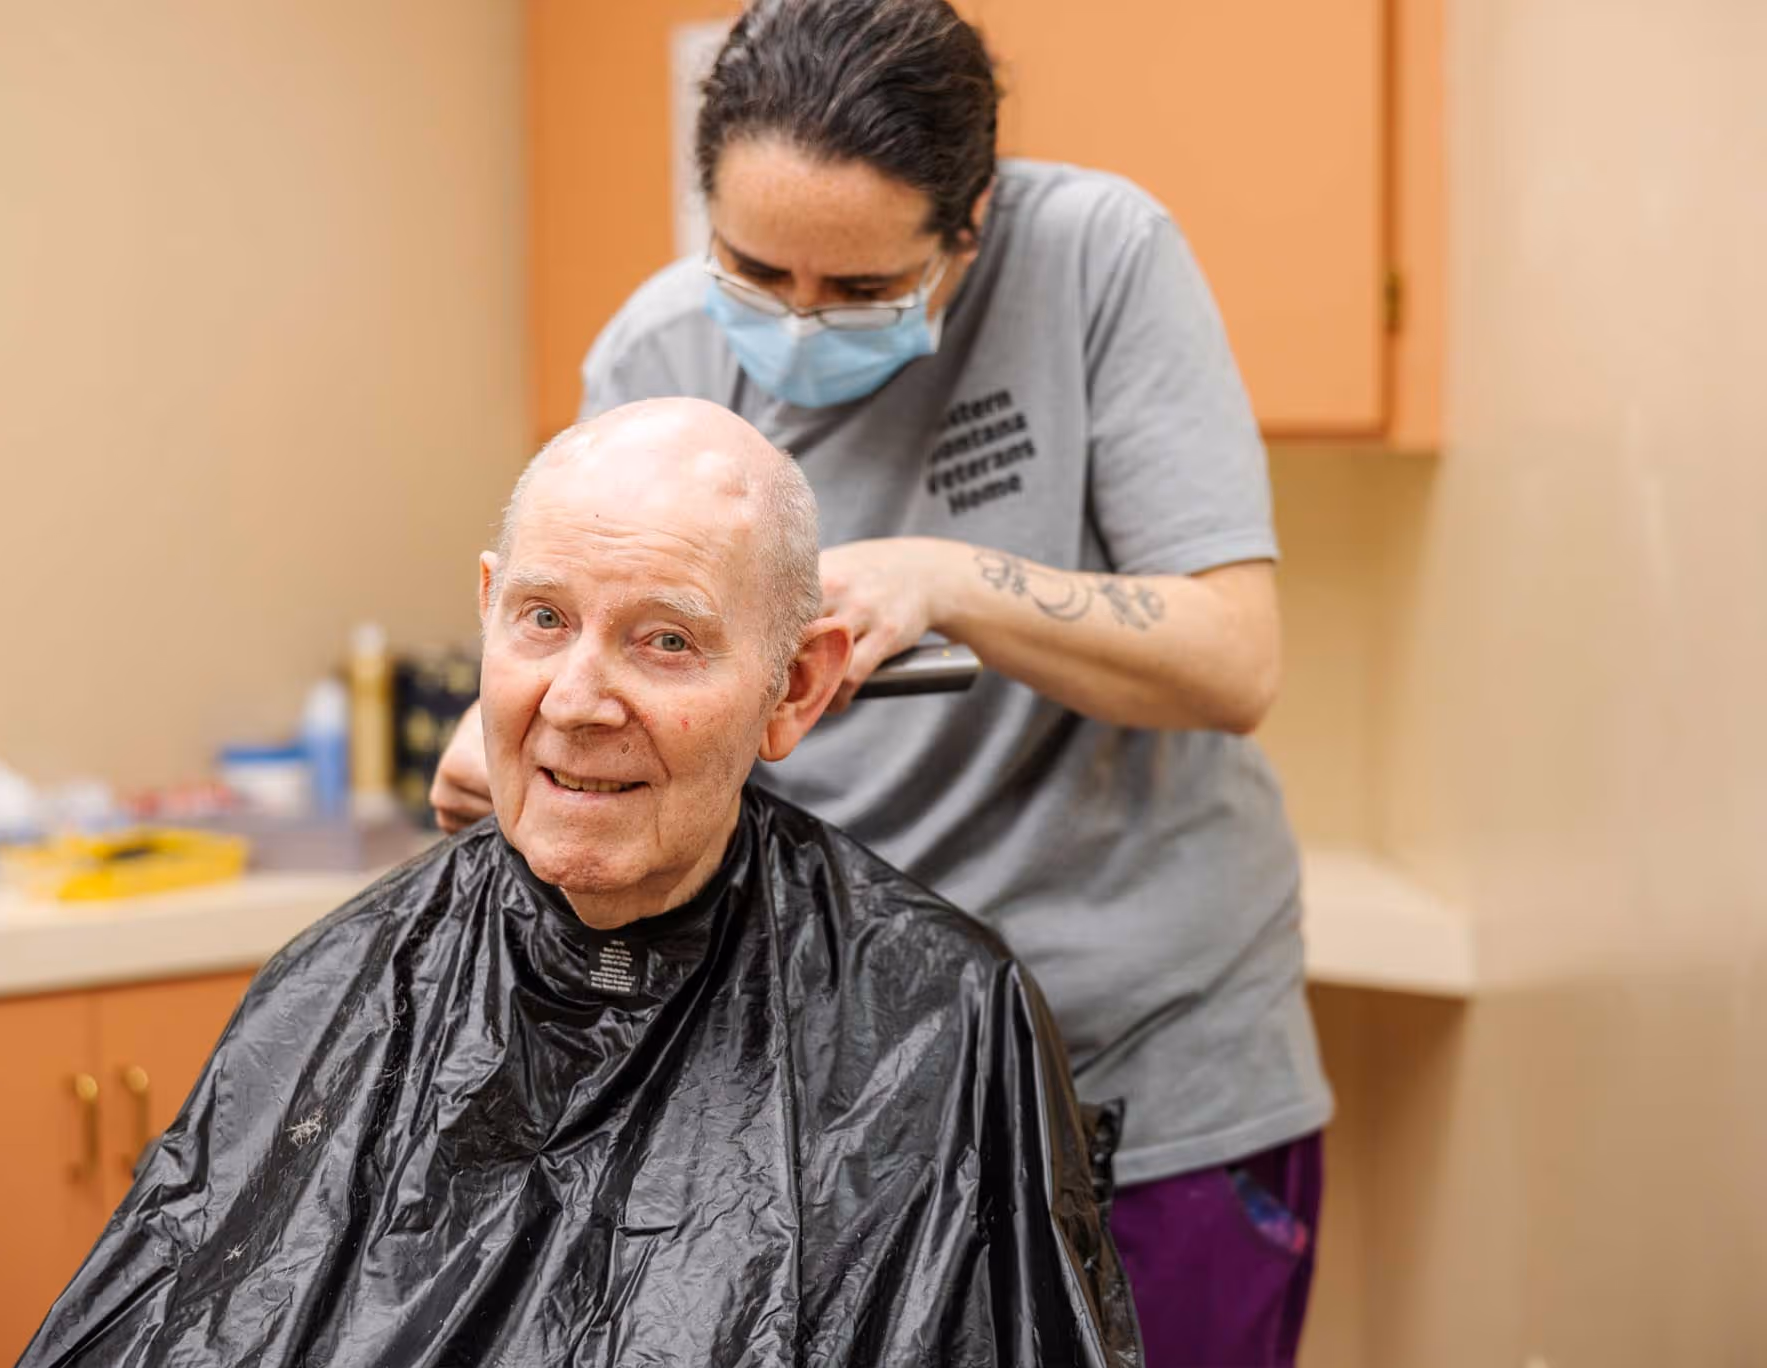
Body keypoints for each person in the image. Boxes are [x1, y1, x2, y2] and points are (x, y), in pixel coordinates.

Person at [432, 3, 1330, 1364]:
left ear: (969, 227)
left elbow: (1232, 657)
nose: (796, 326)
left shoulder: (1097, 260)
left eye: (859, 293)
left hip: (1138, 1076)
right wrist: (529, 736)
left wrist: (946, 579)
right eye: (753, 271)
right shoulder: (659, 354)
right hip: (838, 1088)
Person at [16, 399, 1142, 1368]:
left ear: (795, 686)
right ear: (489, 610)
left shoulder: (940, 1019)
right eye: (544, 621)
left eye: (663, 641)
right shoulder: (342, 983)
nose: (576, 701)